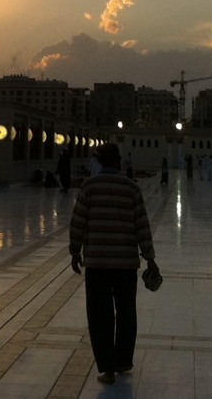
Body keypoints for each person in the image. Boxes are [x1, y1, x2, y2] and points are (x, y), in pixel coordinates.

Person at [70, 142, 157, 386]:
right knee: (126, 312)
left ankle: (107, 369)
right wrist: (149, 257)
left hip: (97, 263)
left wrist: (75, 251)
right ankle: (123, 361)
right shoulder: (131, 188)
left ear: (99, 161)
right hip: (126, 264)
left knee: (100, 316)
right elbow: (142, 225)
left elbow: (78, 222)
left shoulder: (90, 187)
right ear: (119, 161)